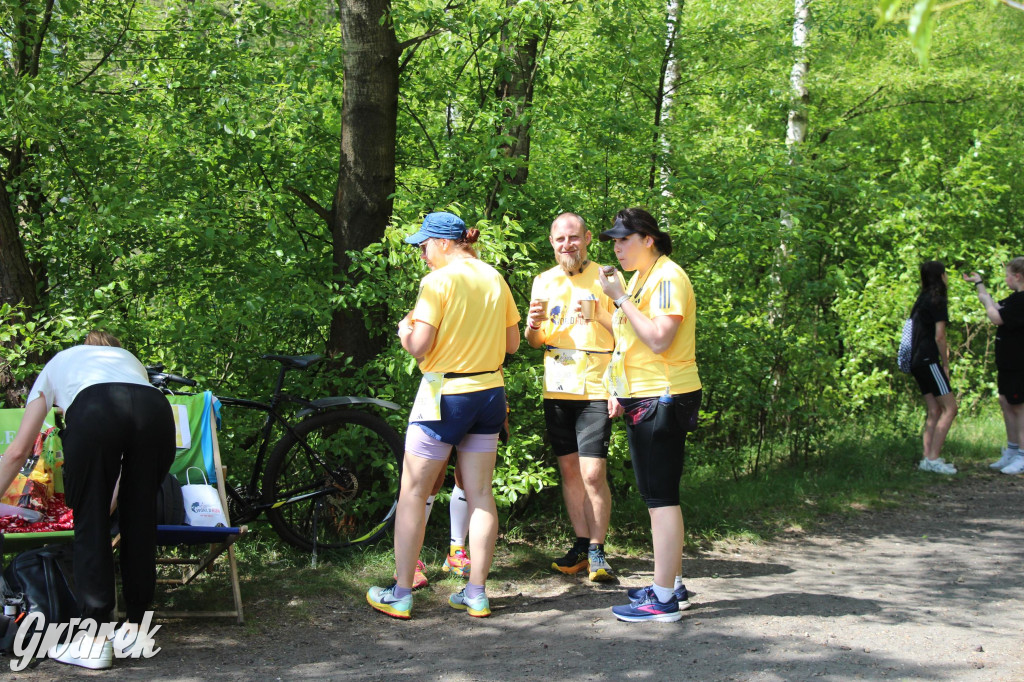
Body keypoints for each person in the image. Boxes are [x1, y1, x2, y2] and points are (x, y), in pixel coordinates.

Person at [367, 211, 520, 619]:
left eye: (423, 245)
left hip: (445, 395)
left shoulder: (437, 282)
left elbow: (419, 345)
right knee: (482, 494)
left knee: (413, 493)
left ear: (444, 243)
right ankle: (476, 593)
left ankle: (400, 593)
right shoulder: (493, 277)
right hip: (489, 393)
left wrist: (404, 331)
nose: (421, 254)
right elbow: (513, 343)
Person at [0, 330, 175, 669]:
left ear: (81, 348)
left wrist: (90, 509)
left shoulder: (56, 365)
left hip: (96, 411)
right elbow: (124, 479)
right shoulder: (130, 364)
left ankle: (94, 639)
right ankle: (136, 632)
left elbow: (19, 451)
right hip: (157, 413)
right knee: (140, 523)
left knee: (90, 525)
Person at [595, 207, 701, 623]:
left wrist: (619, 297)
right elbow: (630, 340)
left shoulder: (668, 276)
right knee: (659, 496)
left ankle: (663, 600)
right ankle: (671, 585)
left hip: (664, 394)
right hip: (645, 394)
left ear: (648, 240)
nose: (617, 247)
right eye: (615, 241)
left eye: (624, 239)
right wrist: (618, 388)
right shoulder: (642, 278)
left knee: (661, 499)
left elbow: (659, 339)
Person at [525, 212, 617, 581]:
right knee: (569, 470)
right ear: (551, 242)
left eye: (574, 238)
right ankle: (581, 546)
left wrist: (599, 317)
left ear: (588, 238)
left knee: (593, 473)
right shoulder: (543, 281)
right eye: (560, 239)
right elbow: (535, 342)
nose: (567, 245)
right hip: (558, 388)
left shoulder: (607, 276)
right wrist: (532, 325)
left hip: (596, 386)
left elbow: (627, 332)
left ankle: (598, 551)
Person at [963, 258, 1024, 474]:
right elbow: (993, 305)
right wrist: (979, 283)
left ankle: (1022, 456)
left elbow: (996, 317)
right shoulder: (1014, 299)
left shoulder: (1022, 301)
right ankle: (1012, 450)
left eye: (1007, 274)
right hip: (1007, 362)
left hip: (1019, 363)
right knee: (1006, 402)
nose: (1005, 278)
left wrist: (989, 305)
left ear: (1017, 276)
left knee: (1019, 407)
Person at [909, 261, 958, 474]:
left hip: (916, 361)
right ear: (941, 276)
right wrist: (945, 364)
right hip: (929, 360)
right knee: (950, 408)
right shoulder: (938, 300)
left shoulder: (920, 300)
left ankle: (926, 459)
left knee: (934, 409)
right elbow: (939, 336)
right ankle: (934, 458)